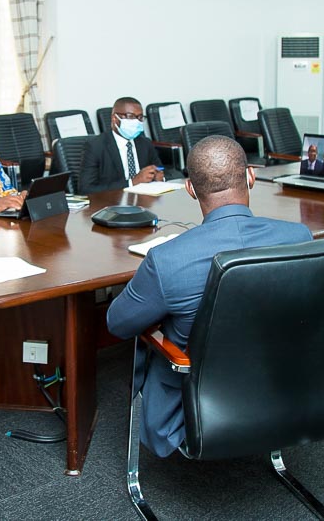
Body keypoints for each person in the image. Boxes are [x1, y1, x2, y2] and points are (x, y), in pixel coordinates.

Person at [106, 135, 312, 456]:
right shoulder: (300, 238)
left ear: (190, 189)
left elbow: (118, 324)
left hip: (197, 408)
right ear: (251, 176)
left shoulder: (167, 260)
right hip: (281, 388)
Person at [79, 96, 166, 194]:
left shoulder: (145, 143)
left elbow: (160, 169)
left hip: (145, 197)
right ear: (114, 118)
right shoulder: (95, 147)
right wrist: (132, 182)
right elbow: (86, 189)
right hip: (114, 200)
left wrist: (159, 177)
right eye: (130, 116)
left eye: (140, 117)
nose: (137, 121)